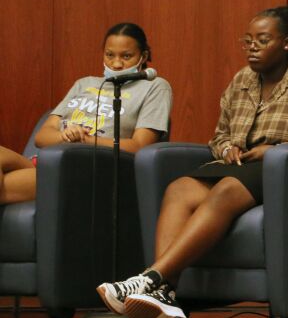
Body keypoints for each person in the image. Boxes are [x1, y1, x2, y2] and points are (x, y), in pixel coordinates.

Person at [96, 4, 288, 318]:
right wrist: (228, 147)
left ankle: (151, 278)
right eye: (247, 41)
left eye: (262, 41)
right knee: (179, 188)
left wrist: (277, 150)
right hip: (237, 164)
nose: (252, 49)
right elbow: (219, 134)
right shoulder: (242, 80)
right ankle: (164, 295)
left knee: (226, 191)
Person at [0, 23, 172, 204]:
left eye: (126, 56)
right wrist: (65, 136)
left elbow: (140, 146)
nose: (117, 63)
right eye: (109, 55)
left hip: (91, 169)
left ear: (143, 56)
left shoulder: (155, 86)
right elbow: (42, 137)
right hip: (48, 161)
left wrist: (86, 140)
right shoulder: (84, 83)